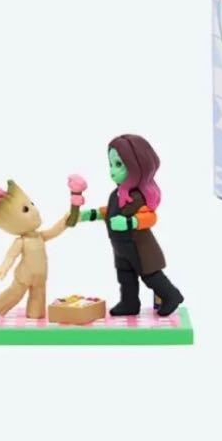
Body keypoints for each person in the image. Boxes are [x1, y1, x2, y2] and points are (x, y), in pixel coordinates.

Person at [80, 134, 184, 317]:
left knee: (150, 275)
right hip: (120, 245)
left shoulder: (138, 196)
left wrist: (129, 222)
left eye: (119, 164)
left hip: (139, 246)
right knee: (125, 275)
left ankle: (171, 295)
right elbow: (110, 211)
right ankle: (129, 302)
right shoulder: (117, 194)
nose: (112, 171)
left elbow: (150, 217)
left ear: (138, 166)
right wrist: (92, 214)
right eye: (111, 164)